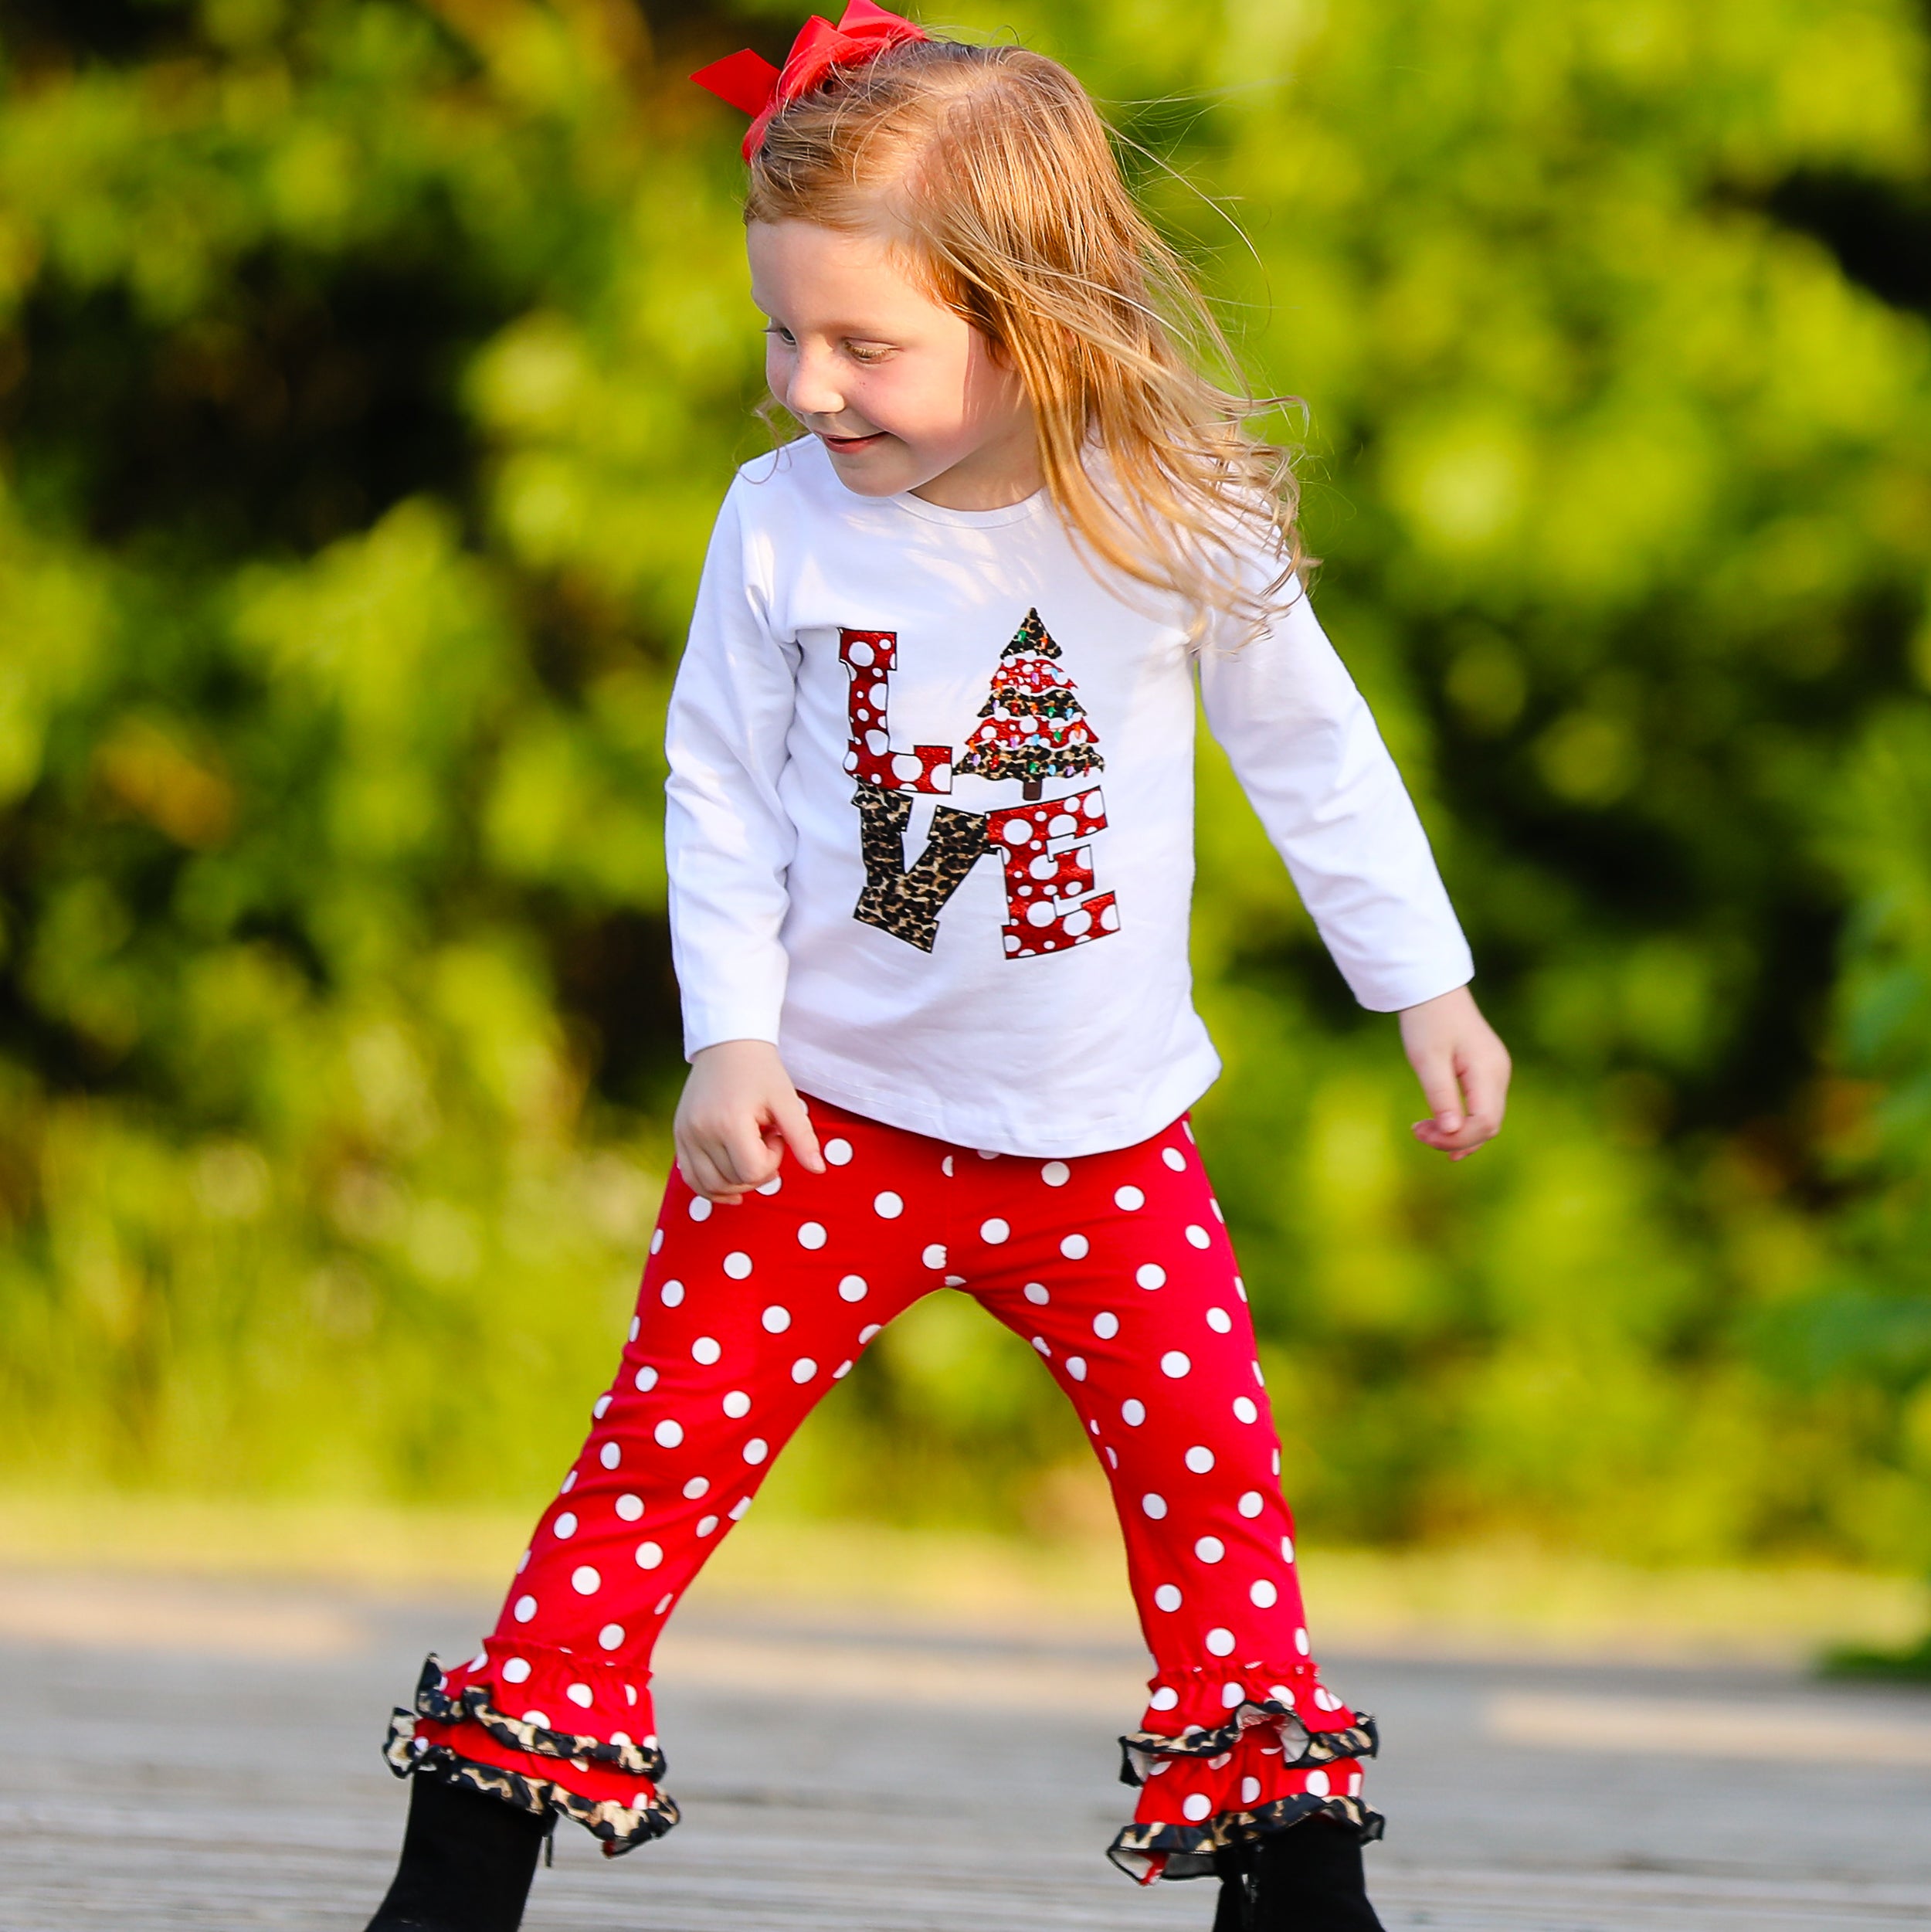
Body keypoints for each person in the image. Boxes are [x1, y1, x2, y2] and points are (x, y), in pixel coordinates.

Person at [362, 6, 1511, 1928]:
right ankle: (460, 1869)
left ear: (1032, 315)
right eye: (779, 335)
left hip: (1103, 1145)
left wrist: (1426, 983)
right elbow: (713, 791)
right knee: (646, 1473)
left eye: (864, 345)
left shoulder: (1169, 516)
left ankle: (1293, 1888)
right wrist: (728, 1039)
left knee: (1216, 1500)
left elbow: (1311, 752)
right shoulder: (779, 530)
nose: (808, 387)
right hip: (821, 1131)